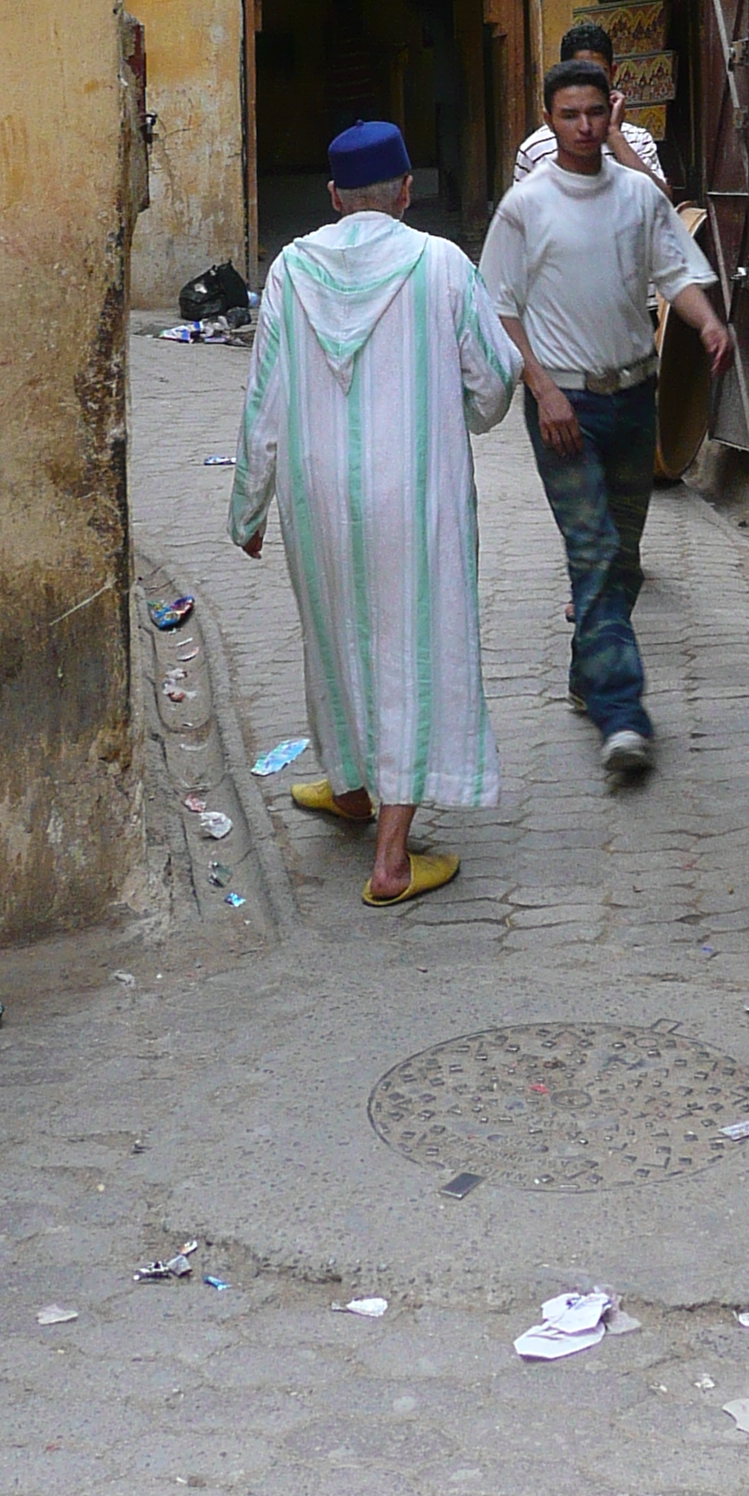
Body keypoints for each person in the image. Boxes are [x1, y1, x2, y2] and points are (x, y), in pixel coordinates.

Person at [227, 118, 521, 906]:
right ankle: (389, 855)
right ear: (404, 191)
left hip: (315, 493)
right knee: (412, 648)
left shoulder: (290, 268)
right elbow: (494, 384)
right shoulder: (442, 264)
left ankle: (354, 786)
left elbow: (266, 398)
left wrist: (248, 506)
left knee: (339, 632)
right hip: (413, 491)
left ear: (332, 197)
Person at [480, 61, 732, 781]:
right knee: (590, 551)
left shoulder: (638, 197)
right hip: (564, 407)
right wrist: (543, 389)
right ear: (549, 119)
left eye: (596, 113)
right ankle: (623, 716)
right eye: (570, 115)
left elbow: (675, 274)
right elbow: (497, 305)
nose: (585, 127)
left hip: (633, 397)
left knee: (618, 559)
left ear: (609, 113)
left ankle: (588, 674)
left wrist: (709, 324)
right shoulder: (525, 206)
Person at [512, 18, 670, 195]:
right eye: (582, 73)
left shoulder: (637, 141)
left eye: (599, 73)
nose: (591, 83)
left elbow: (660, 202)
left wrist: (614, 135)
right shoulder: (535, 149)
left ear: (612, 73)